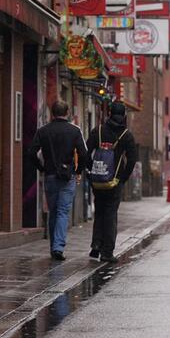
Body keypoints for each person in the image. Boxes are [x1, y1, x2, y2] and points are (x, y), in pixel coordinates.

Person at [28, 100, 88, 261]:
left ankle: (54, 246)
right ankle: (58, 247)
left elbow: (31, 152)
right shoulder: (74, 131)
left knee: (54, 211)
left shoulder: (43, 131)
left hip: (50, 176)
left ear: (51, 113)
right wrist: (78, 170)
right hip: (67, 176)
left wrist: (41, 168)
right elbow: (83, 154)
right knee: (63, 211)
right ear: (67, 112)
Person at [86, 102, 137, 263]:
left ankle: (96, 245)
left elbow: (86, 152)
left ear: (109, 113)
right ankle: (107, 252)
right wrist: (123, 178)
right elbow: (132, 160)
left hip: (98, 180)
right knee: (110, 215)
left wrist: (91, 171)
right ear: (123, 116)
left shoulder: (98, 131)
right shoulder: (126, 135)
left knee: (99, 212)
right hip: (114, 182)